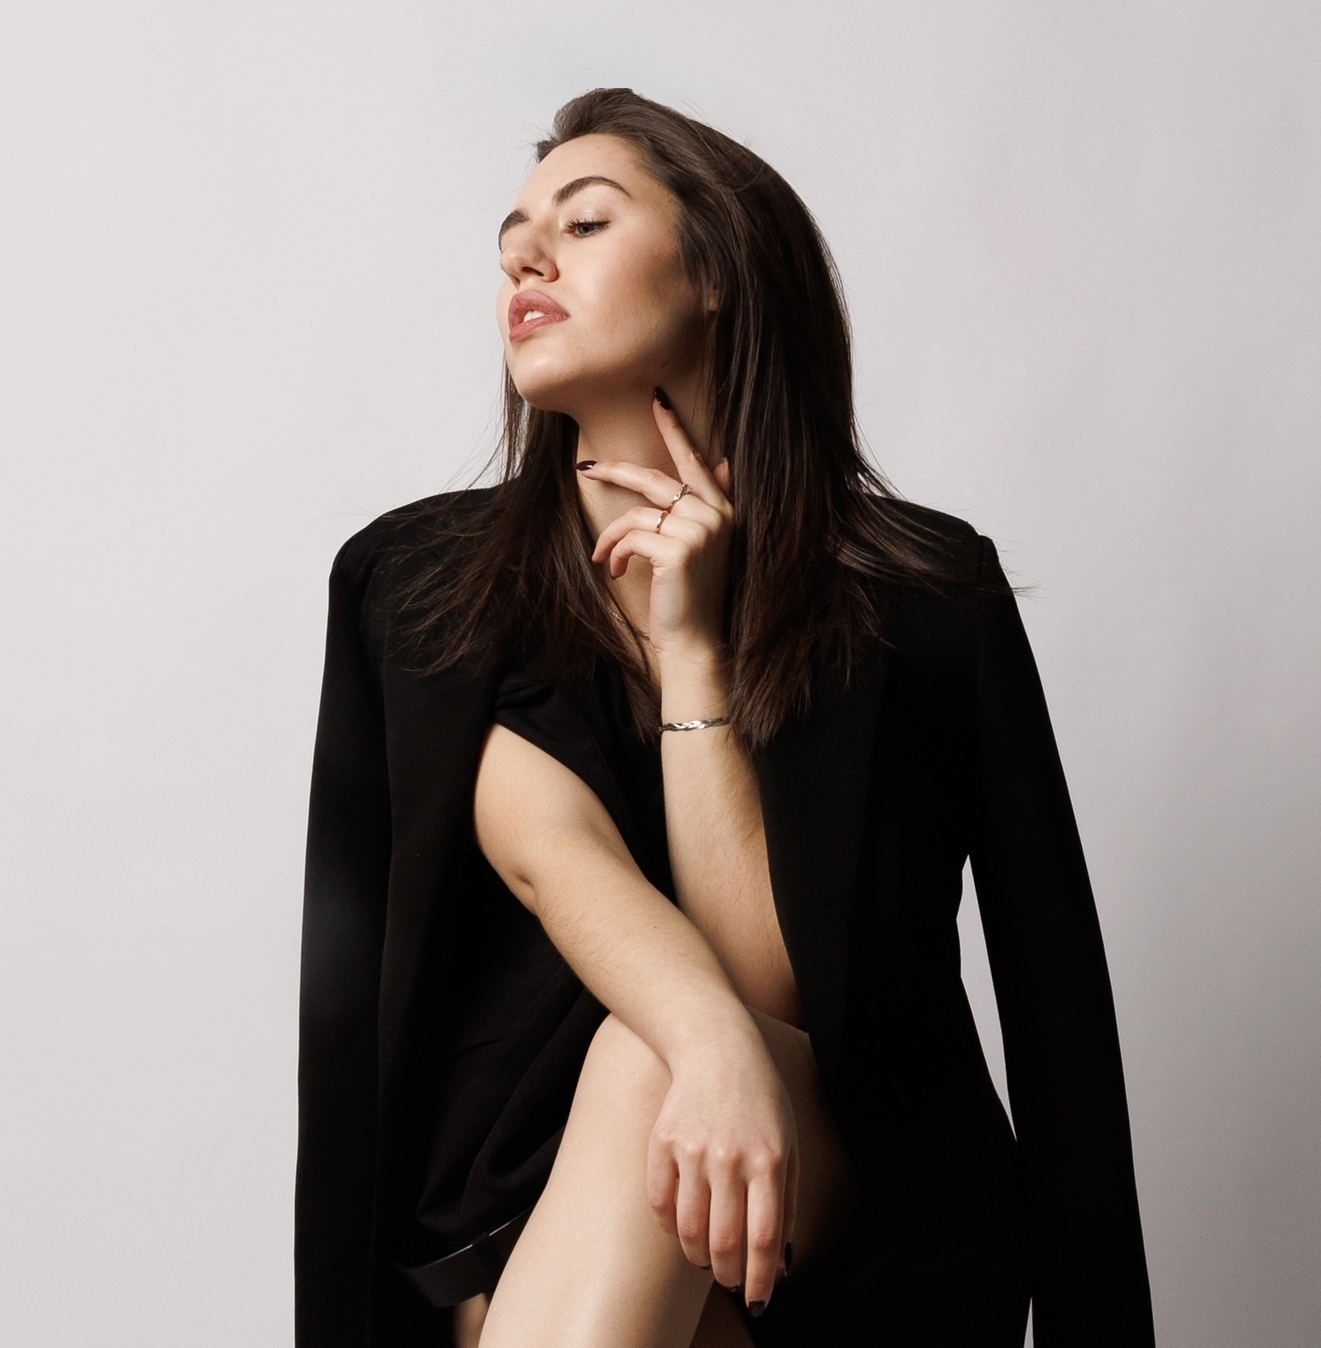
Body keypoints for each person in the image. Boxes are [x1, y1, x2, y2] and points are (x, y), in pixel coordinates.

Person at [295, 88, 1156, 1348]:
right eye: (512, 244)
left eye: (584, 224)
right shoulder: (423, 582)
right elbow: (550, 860)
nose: (526, 261)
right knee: (661, 1059)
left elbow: (1028, 999)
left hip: (843, 1221)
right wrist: (703, 1040)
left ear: (715, 271)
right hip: (514, 1213)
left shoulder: (924, 599)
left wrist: (694, 656)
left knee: (657, 1065)